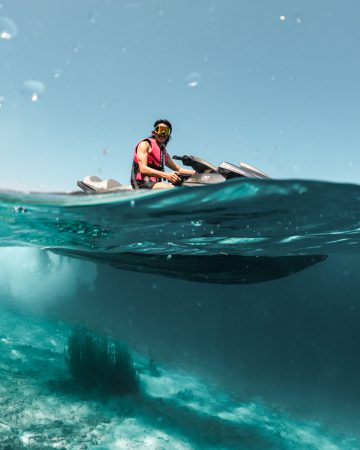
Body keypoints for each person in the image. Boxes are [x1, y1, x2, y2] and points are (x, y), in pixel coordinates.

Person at [131, 119, 195, 189]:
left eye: (166, 131)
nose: (163, 133)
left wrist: (198, 173)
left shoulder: (163, 152)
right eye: (160, 129)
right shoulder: (145, 144)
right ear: (154, 132)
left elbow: (178, 169)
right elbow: (143, 169)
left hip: (155, 184)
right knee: (174, 189)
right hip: (141, 184)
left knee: (185, 187)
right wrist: (166, 175)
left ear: (168, 135)